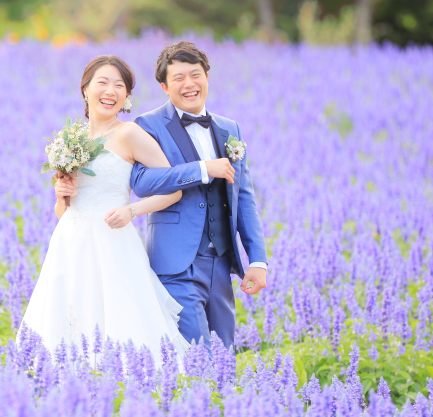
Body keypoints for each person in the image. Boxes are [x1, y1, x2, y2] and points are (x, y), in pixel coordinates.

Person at [19, 55, 228, 369]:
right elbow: (65, 212)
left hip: (113, 243)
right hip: (69, 245)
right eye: (102, 83)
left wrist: (132, 210)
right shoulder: (71, 141)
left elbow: (173, 189)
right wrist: (61, 195)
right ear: (85, 89)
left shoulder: (128, 134)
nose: (111, 91)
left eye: (119, 86)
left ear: (127, 96)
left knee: (121, 324)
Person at [130, 41, 268, 352]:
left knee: (224, 356)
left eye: (195, 74)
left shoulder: (229, 128)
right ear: (165, 86)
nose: (189, 84)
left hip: (221, 263)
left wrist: (258, 260)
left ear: (207, 76)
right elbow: (142, 183)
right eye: (178, 78)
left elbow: (244, 197)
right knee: (197, 357)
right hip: (176, 263)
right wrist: (202, 169)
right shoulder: (149, 125)